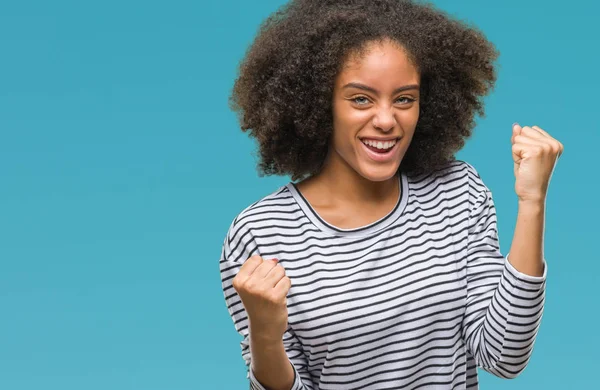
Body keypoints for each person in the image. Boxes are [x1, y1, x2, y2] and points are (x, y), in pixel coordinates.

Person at [219, 0, 564, 389]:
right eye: (360, 99)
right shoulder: (261, 234)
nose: (386, 121)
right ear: (319, 104)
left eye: (404, 99)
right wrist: (265, 333)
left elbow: (503, 354)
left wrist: (532, 201)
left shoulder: (457, 192)